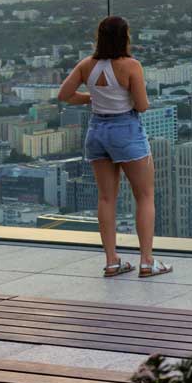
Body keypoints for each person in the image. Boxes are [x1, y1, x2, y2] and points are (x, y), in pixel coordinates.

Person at [58, 16, 168, 279]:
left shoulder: (86, 65)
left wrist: (93, 97)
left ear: (100, 37)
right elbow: (142, 106)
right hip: (125, 130)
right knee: (144, 196)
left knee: (106, 198)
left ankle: (112, 261)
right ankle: (147, 261)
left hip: (97, 131)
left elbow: (64, 95)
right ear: (125, 37)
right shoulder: (131, 65)